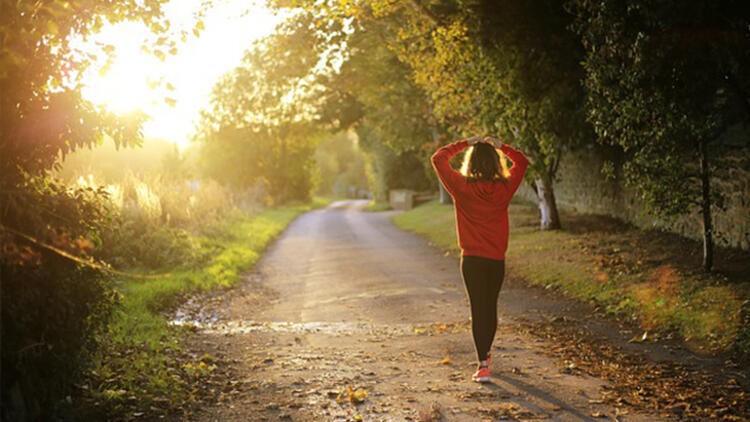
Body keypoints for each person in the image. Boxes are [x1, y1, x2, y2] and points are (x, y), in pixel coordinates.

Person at [431, 135, 528, 383]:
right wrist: (501, 146)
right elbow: (522, 161)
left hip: (472, 260)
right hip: (495, 260)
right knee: (490, 307)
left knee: (478, 308)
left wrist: (465, 142)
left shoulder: (461, 187)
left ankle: (482, 364)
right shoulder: (504, 188)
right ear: (496, 163)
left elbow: (438, 158)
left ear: (470, 162)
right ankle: (485, 355)